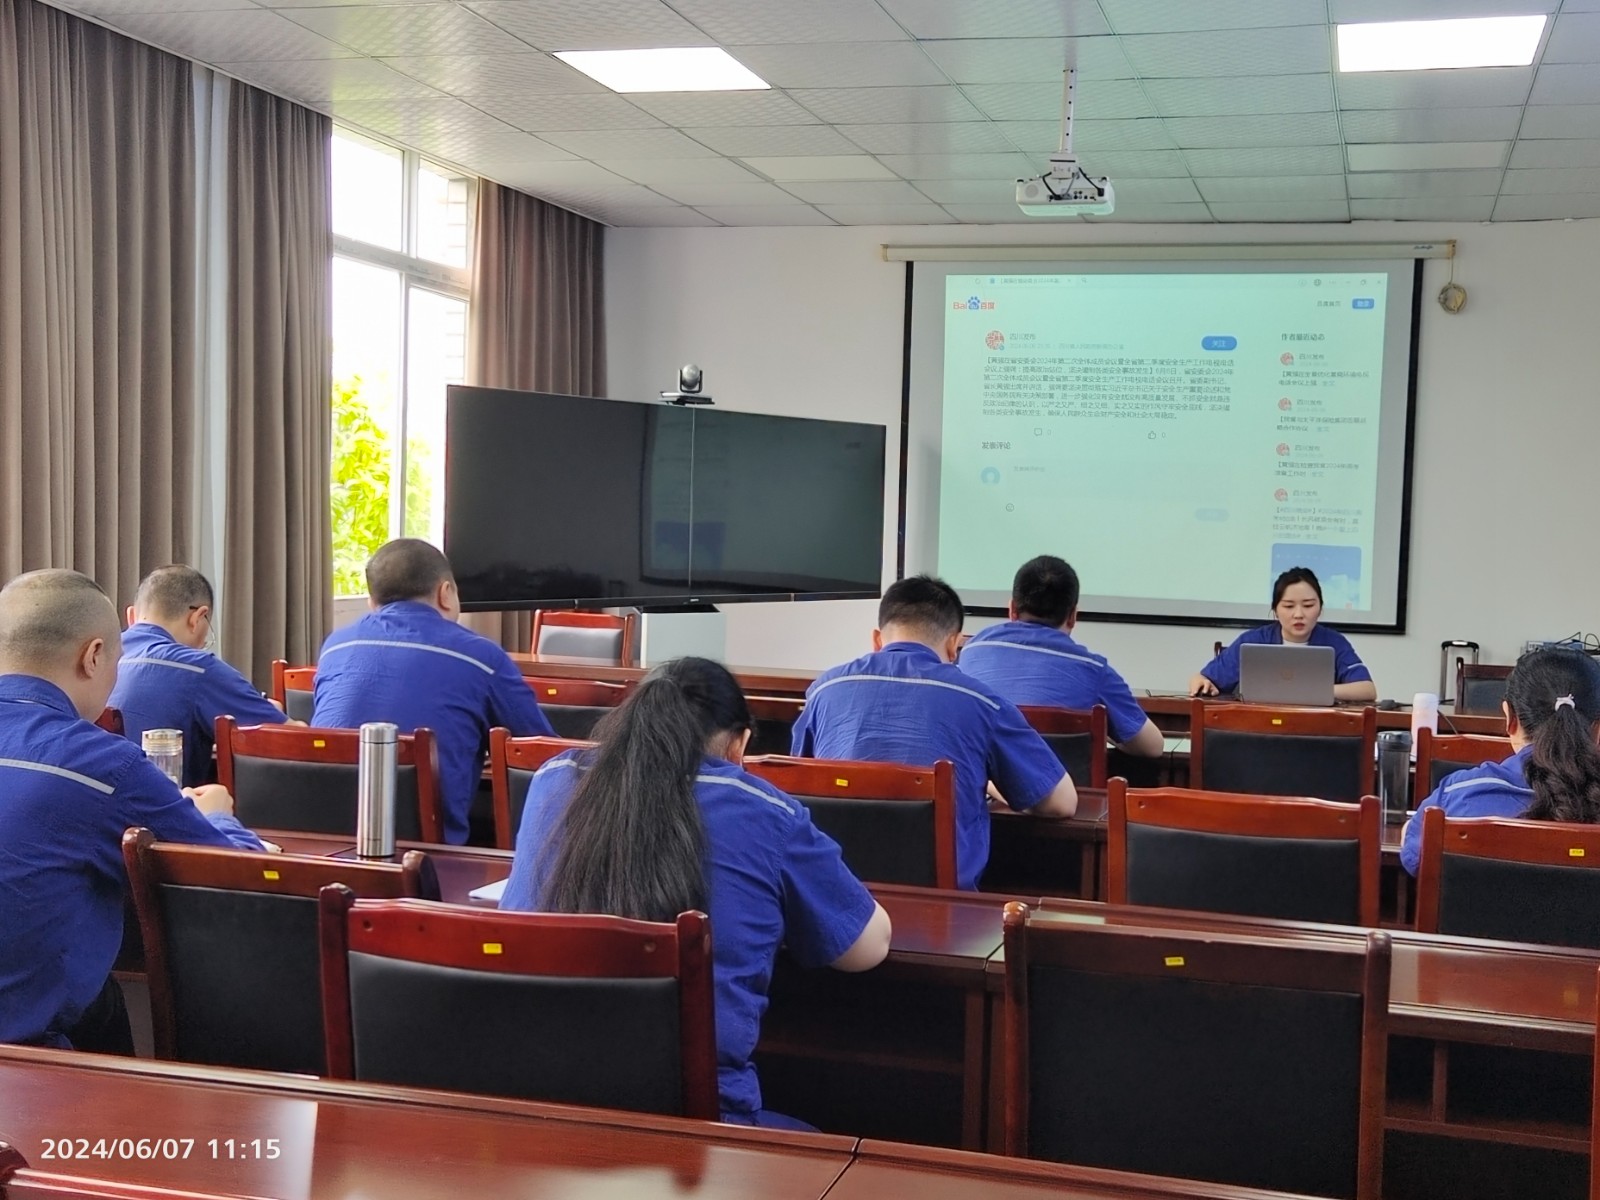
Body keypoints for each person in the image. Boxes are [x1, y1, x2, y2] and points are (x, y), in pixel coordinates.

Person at [501, 657, 890, 1127]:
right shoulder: (763, 809)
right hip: (702, 1136)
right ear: (738, 744)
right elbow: (867, 947)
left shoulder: (551, 779)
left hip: (545, 1114)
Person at [0, 569, 264, 1053]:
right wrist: (218, 814)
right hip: (26, 1054)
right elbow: (235, 875)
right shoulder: (100, 763)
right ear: (93, 656)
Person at [790, 575, 1077, 891]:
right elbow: (1061, 802)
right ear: (954, 645)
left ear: (876, 640)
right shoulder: (981, 702)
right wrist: (990, 782)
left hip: (834, 897)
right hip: (942, 908)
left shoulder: (824, 690)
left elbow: (796, 785)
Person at [312, 539, 555, 845]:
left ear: (372, 602)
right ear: (445, 593)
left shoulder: (335, 645)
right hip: (427, 856)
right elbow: (541, 754)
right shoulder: (481, 657)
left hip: (323, 844)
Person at [1399, 648, 1600, 875]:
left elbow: (1416, 858)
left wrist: (1410, 830)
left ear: (1509, 717)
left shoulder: (1457, 796)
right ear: (1597, 729)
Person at [959, 555, 1162, 757]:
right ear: (1073, 616)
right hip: (1066, 779)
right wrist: (1104, 732)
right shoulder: (1093, 670)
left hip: (980, 778)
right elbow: (1152, 747)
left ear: (1012, 609)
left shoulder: (971, 650)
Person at [108, 564, 289, 786]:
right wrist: (270, 711)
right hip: (166, 802)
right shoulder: (198, 669)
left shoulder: (98, 659)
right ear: (197, 618)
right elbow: (290, 738)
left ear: (131, 616)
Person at [1189, 567, 1376, 702]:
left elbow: (1367, 690)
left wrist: (1314, 691)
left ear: (1320, 608)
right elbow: (1202, 678)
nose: (1299, 614)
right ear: (1275, 610)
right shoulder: (1254, 641)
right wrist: (1200, 682)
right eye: (1288, 606)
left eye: (1308, 605)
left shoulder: (1334, 642)